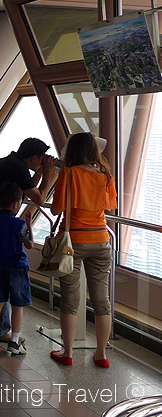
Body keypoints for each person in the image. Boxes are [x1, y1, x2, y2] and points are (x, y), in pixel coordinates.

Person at [0, 138, 57, 343]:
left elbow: (27, 186)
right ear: (33, 157)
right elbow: (40, 198)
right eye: (41, 159)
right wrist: (49, 175)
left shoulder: (11, 163)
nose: (42, 163)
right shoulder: (17, 167)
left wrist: (39, 173)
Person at [49, 132, 116, 368]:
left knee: (70, 297)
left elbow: (56, 209)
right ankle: (101, 354)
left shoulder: (69, 173)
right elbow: (109, 206)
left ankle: (67, 352)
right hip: (101, 240)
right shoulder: (106, 176)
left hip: (73, 242)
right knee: (102, 300)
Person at [0, 182, 33, 355]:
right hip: (17, 267)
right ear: (16, 204)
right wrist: (29, 225)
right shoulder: (19, 224)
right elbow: (29, 244)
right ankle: (14, 341)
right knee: (17, 305)